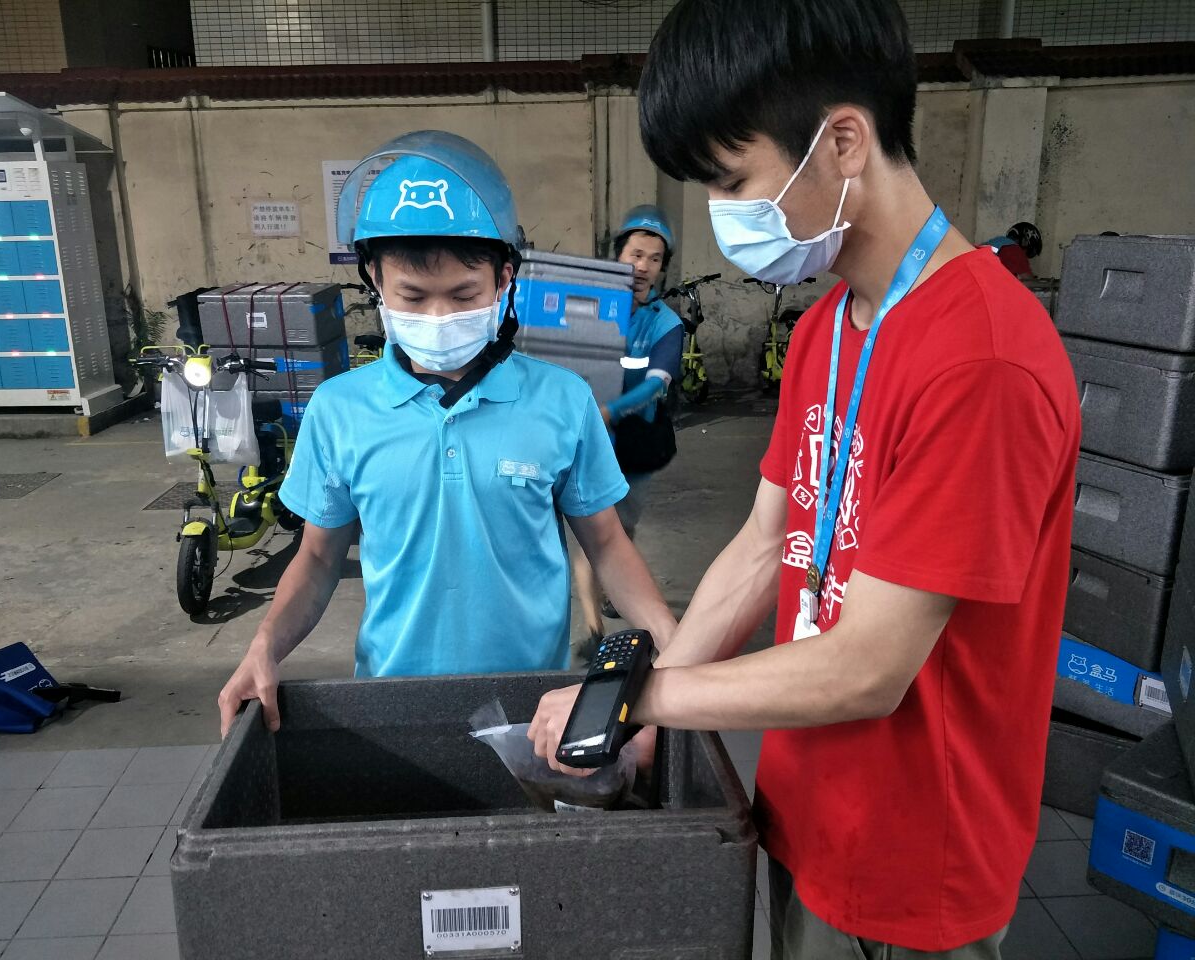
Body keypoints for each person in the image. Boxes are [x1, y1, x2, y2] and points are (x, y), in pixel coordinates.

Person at [529, 2, 1080, 957]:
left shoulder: (982, 360)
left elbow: (868, 669)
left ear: (844, 141)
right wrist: (655, 693)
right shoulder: (831, 327)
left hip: (914, 860)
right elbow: (762, 545)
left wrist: (639, 700)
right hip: (807, 808)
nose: (724, 217)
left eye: (734, 180)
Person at [219, 131, 675, 737]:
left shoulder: (563, 400)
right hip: (392, 705)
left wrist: (672, 641)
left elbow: (608, 545)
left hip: (535, 706)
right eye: (412, 296)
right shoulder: (339, 410)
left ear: (504, 279)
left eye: (464, 295)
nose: (438, 317)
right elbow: (319, 557)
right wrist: (264, 647)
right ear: (375, 280)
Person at [571, 204, 684, 660]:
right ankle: (593, 627)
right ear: (616, 256)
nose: (643, 266)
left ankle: (616, 589)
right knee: (589, 527)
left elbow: (657, 384)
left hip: (634, 443)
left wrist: (610, 412)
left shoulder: (664, 323)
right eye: (635, 254)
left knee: (623, 528)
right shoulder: (589, 308)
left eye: (654, 259)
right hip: (589, 441)